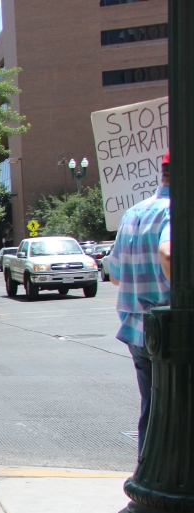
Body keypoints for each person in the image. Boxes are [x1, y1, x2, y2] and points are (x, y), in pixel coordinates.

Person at [105, 150, 171, 457]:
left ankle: (147, 470)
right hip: (170, 331)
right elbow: (168, 253)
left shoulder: (133, 214)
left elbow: (115, 275)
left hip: (137, 330)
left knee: (152, 408)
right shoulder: (175, 211)